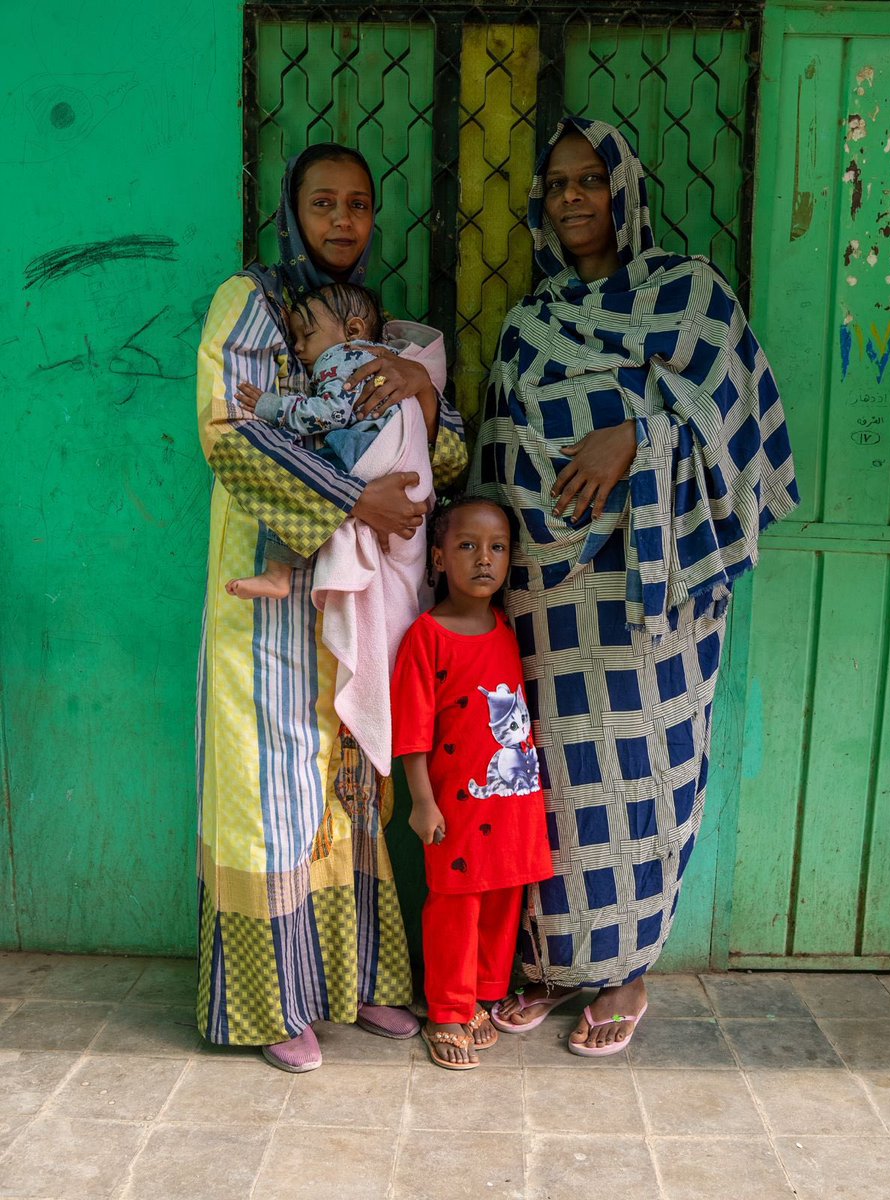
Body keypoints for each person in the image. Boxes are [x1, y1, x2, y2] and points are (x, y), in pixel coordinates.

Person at [471, 117, 798, 1056]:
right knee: (555, 780)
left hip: (657, 594)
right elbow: (500, 449)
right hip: (548, 595)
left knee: (643, 774)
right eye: (557, 183)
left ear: (625, 191)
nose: (572, 197)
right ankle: (545, 961)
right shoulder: (530, 323)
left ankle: (624, 971)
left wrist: (640, 440)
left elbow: (741, 431)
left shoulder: (691, 298)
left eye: (590, 179)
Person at [196, 142, 467, 1072]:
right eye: (322, 203)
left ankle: (351, 983)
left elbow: (449, 451)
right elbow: (228, 426)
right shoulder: (255, 303)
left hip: (356, 598)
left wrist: (424, 396)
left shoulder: (375, 322)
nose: (341, 221)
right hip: (269, 599)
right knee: (274, 795)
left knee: (348, 793)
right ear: (290, 210)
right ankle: (272, 1006)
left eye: (357, 204)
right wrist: (355, 498)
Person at [390, 497, 553, 1070]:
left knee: (504, 900)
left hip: (514, 803)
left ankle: (482, 997)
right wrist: (422, 803)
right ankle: (446, 1010)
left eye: (497, 548)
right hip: (455, 807)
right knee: (455, 907)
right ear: (437, 557)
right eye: (466, 546)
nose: (484, 559)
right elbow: (411, 730)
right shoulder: (426, 637)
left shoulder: (512, 630)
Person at [227, 282, 411, 601]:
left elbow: (330, 414)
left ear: (353, 329)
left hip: (363, 444)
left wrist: (272, 407)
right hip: (398, 449)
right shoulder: (391, 356)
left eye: (307, 336)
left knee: (299, 485)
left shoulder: (339, 357)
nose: (298, 348)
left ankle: (278, 574)